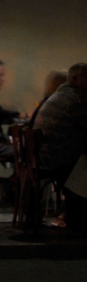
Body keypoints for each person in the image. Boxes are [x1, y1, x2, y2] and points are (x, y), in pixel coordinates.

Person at [33, 63, 87, 235]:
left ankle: (74, 216)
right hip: (58, 157)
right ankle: (77, 219)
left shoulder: (61, 93)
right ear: (76, 79)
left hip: (45, 154)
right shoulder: (78, 98)